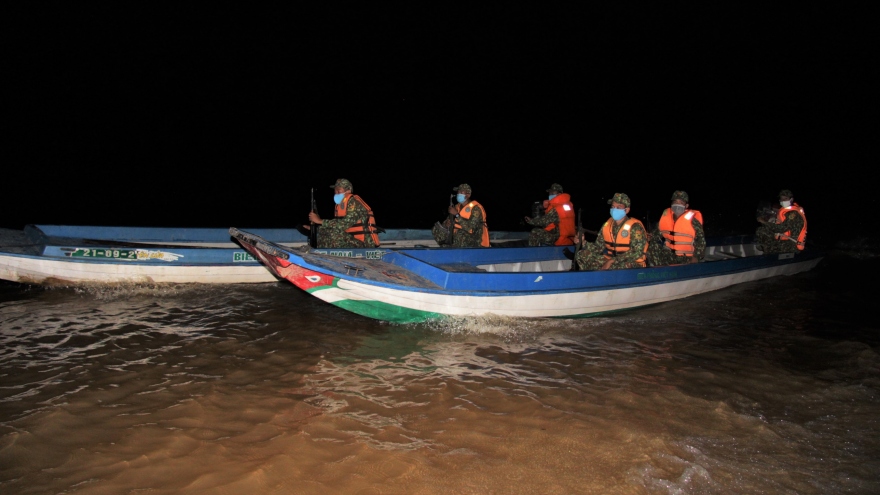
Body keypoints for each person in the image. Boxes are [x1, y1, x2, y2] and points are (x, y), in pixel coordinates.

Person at [574, 192, 648, 271]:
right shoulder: (607, 225)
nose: (614, 209)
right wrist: (583, 242)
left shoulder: (635, 227)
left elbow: (637, 252)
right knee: (581, 255)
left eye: (618, 207)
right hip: (610, 259)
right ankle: (595, 277)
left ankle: (602, 275)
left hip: (631, 262)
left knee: (615, 267)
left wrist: (613, 261)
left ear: (627, 210)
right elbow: (598, 248)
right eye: (613, 206)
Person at [306, 178, 380, 248]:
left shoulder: (354, 203)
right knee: (323, 233)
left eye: (339, 191)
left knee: (334, 235)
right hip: (351, 238)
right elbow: (336, 226)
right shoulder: (341, 204)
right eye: (335, 191)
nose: (336, 193)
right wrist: (315, 229)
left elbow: (344, 224)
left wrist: (319, 221)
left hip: (364, 244)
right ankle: (316, 252)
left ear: (348, 191)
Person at [647, 190, 705, 266]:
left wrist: (696, 257)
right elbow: (657, 233)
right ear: (671, 204)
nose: (677, 204)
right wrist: (649, 237)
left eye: (681, 202)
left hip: (685, 257)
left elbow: (701, 240)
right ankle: (659, 270)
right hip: (669, 254)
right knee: (653, 246)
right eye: (675, 202)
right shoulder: (666, 217)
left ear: (686, 206)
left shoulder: (693, 221)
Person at [755, 189, 807, 253]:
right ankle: (768, 252)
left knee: (765, 235)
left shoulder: (793, 213)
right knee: (762, 230)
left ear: (791, 199)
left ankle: (769, 256)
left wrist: (764, 222)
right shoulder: (786, 210)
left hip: (792, 244)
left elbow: (781, 228)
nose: (783, 201)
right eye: (781, 199)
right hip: (785, 240)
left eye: (785, 199)